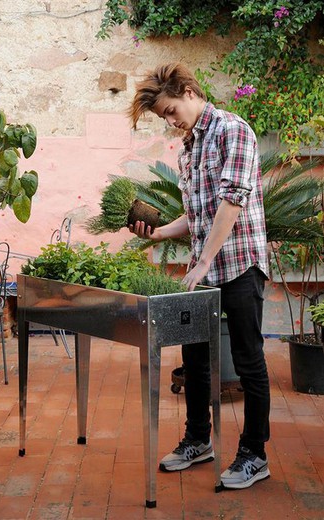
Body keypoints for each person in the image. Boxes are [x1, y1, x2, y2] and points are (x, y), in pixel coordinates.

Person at [127, 63, 270, 490]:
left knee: (248, 361)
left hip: (239, 264)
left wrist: (203, 262)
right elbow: (195, 216)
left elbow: (231, 203)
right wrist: (155, 232)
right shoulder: (188, 148)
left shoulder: (233, 131)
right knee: (193, 361)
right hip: (204, 268)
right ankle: (197, 440)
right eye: (163, 118)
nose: (171, 123)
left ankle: (254, 454)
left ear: (189, 91)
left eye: (171, 111)